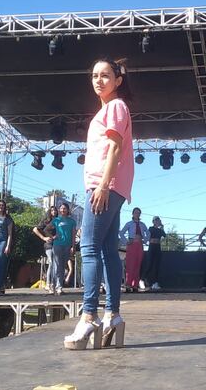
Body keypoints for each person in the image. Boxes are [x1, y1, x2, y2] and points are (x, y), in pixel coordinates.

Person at [64, 58, 134, 350]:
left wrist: (103, 185)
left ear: (118, 80)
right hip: (109, 187)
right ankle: (112, 316)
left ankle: (89, 315)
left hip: (105, 186)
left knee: (89, 247)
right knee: (106, 250)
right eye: (94, 75)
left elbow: (116, 147)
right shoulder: (107, 110)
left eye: (105, 75)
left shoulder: (116, 107)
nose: (98, 80)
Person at [119, 207, 149, 292]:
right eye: (136, 212)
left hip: (139, 245)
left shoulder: (142, 224)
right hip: (132, 245)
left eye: (139, 213)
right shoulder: (129, 224)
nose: (137, 214)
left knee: (137, 264)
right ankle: (128, 284)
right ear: (132, 214)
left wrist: (145, 240)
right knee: (130, 265)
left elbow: (148, 233)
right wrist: (126, 241)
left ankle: (135, 285)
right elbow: (121, 233)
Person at [51, 202, 77, 295]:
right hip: (57, 245)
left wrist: (73, 247)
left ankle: (55, 285)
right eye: (61, 208)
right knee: (58, 266)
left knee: (62, 266)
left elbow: (74, 235)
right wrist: (52, 237)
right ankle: (58, 286)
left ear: (68, 210)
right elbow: (46, 229)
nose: (63, 210)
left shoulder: (72, 221)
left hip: (67, 246)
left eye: (64, 208)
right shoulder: (56, 220)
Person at [33, 206, 58, 293]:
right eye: (52, 210)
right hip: (48, 244)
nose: (54, 211)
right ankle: (48, 284)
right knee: (51, 262)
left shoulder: (58, 220)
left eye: (55, 210)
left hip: (57, 244)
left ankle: (53, 284)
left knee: (56, 263)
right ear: (49, 212)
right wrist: (43, 238)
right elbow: (35, 229)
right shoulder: (46, 221)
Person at [144, 216, 166, 291]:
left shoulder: (160, 230)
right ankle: (143, 279)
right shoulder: (151, 228)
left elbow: (164, 235)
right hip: (152, 246)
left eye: (158, 220)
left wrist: (162, 227)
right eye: (156, 220)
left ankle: (155, 282)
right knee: (150, 264)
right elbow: (148, 235)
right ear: (153, 221)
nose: (157, 222)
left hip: (158, 247)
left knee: (157, 265)